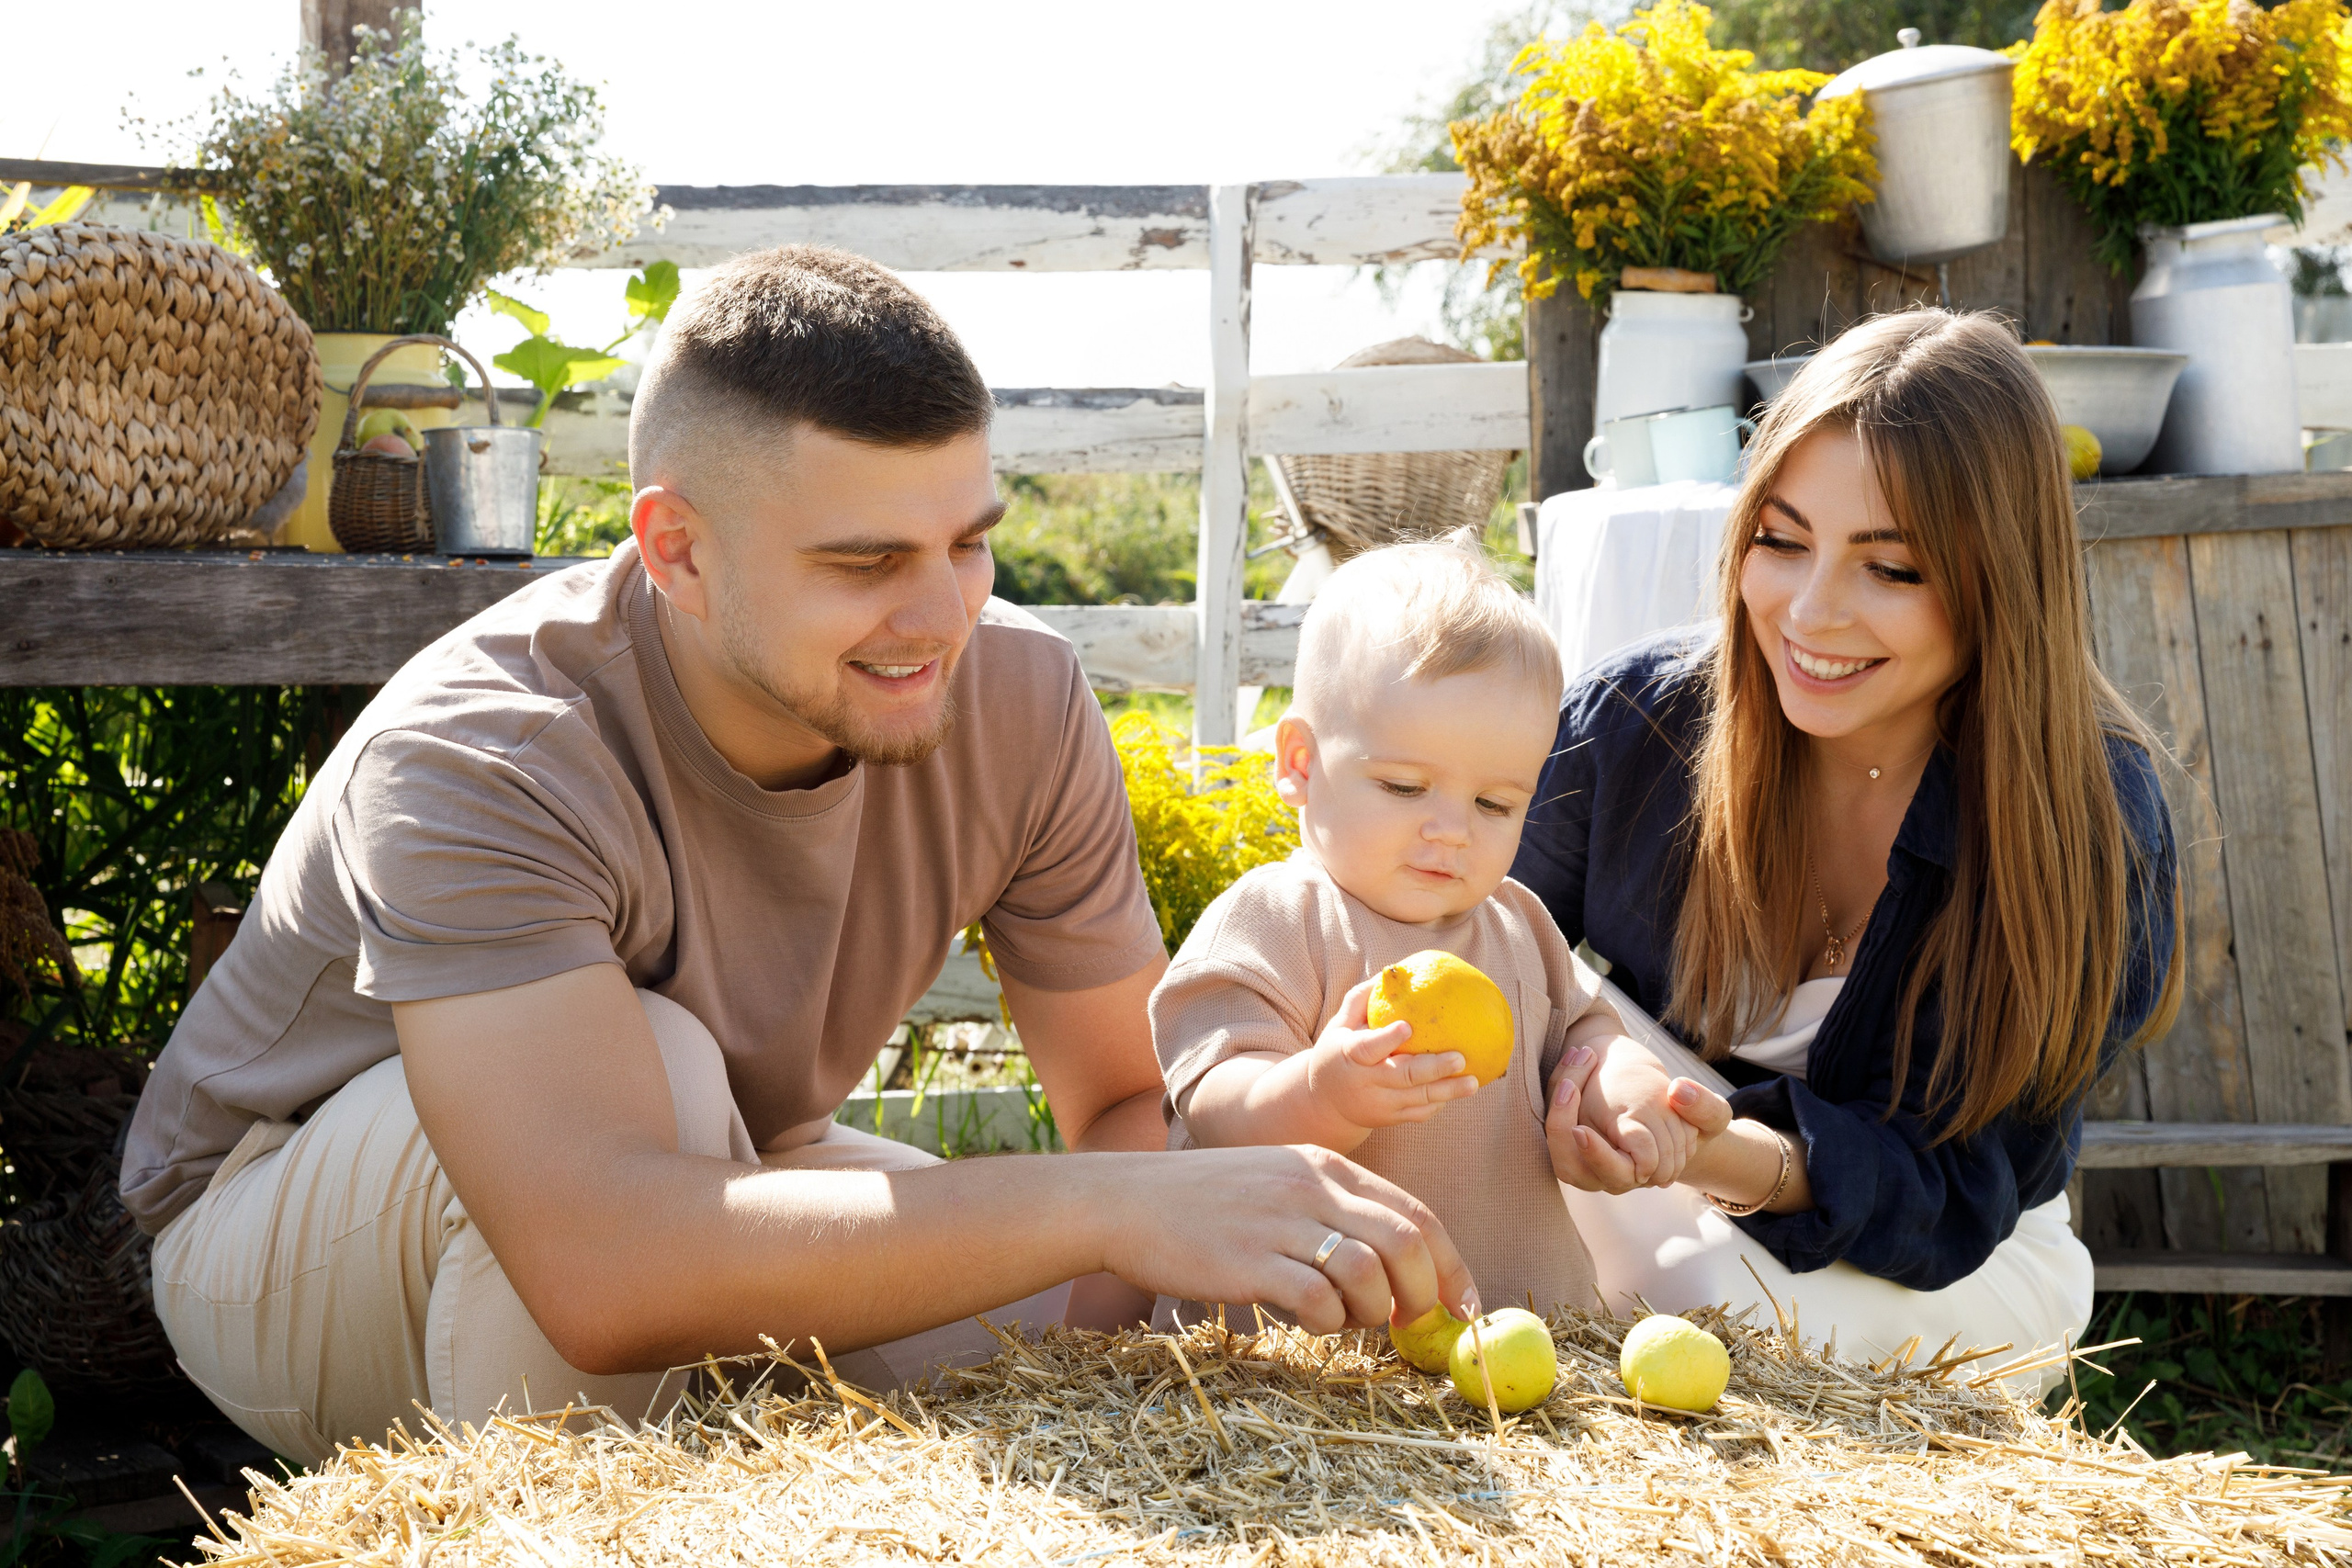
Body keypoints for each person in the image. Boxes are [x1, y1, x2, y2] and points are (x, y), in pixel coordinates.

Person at [121, 246, 1474, 1464]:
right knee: (665, 1066)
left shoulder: (1018, 693)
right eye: (866, 560)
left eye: (968, 541)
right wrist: (1120, 1208)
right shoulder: (487, 747)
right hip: (280, 1225)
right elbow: (603, 1266)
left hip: (731, 1178)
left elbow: (1126, 1107)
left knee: (1031, 1346)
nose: (940, 615)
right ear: (678, 550)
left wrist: (1112, 1339)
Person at [1510, 310, 2183, 1380]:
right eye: (1781, 542)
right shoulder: (1637, 722)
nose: (1811, 612)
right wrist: (1599, 1063)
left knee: (1706, 1312)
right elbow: (1453, 939)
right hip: (1651, 1169)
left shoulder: (2089, 820)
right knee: (1489, 965)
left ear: (2000, 581)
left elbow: (1953, 1193)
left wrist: (1713, 1151)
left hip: (1943, 1253)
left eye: (1892, 569)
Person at [1150, 530, 1713, 1321]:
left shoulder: (1520, 923)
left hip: (1512, 1337)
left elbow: (1584, 1027)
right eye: (1406, 787)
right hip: (1306, 1356)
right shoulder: (1277, 919)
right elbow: (1212, 1107)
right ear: (1301, 763)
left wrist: (1619, 1078)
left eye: (1494, 803)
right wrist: (1322, 1092)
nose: (1452, 829)